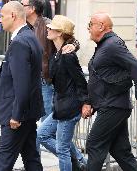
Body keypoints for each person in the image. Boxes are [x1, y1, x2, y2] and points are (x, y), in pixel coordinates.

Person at [84, 12, 137, 171]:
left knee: (94, 144)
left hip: (113, 106)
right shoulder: (105, 45)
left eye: (90, 25)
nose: (88, 29)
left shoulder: (113, 44)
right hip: (111, 105)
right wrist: (89, 101)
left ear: (101, 26)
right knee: (120, 151)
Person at [0, 1, 44, 171]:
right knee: (32, 158)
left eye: (1, 16)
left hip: (17, 114)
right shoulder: (30, 36)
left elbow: (22, 82)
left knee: (3, 159)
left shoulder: (21, 41)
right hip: (28, 111)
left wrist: (16, 115)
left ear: (13, 15)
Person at [37, 15, 89, 171]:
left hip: (69, 108)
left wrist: (86, 102)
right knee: (42, 135)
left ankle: (78, 164)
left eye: (52, 28)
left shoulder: (67, 56)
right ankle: (79, 162)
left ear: (59, 33)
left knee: (62, 149)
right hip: (59, 107)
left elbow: (80, 81)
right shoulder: (57, 52)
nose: (48, 28)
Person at [21, 0, 79, 122]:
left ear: (31, 9)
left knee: (45, 126)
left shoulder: (47, 25)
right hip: (29, 82)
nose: (19, 7)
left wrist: (73, 45)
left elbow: (70, 38)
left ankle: (59, 143)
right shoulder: (23, 27)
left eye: (22, 5)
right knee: (32, 126)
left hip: (44, 82)